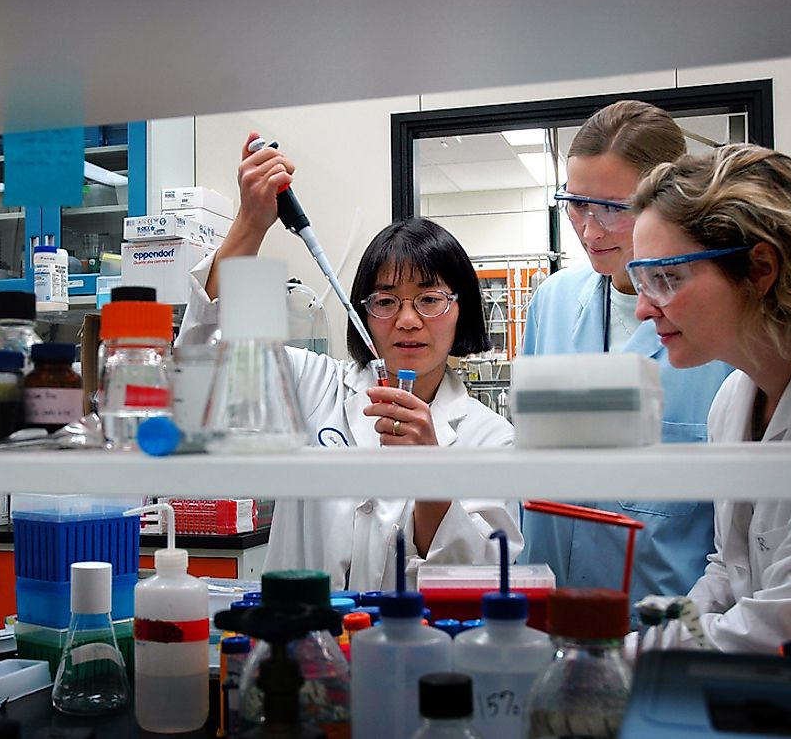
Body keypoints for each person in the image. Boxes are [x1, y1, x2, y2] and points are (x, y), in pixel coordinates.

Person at [180, 132, 519, 592]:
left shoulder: (491, 439)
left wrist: (432, 472)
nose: (407, 320)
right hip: (302, 645)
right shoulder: (312, 385)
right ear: (364, 312)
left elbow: (482, 579)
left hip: (412, 655)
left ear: (462, 310)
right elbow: (203, 366)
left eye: (429, 299)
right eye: (385, 301)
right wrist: (251, 223)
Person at [627, 143, 791, 652]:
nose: (644, 309)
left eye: (664, 278)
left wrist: (620, 666)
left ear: (759, 269)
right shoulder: (734, 397)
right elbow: (733, 569)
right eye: (639, 280)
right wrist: (654, 640)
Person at [519, 101, 733, 615]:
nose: (590, 232)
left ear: (667, 199)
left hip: (669, 628)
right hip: (549, 614)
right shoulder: (553, 302)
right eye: (575, 204)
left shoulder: (716, 322)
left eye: (614, 208)